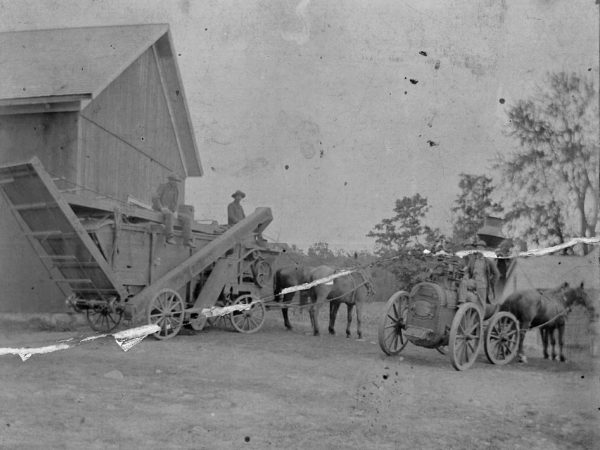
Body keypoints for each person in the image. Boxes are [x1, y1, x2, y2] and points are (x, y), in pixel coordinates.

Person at [152, 174, 195, 248]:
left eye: (177, 181)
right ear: (170, 180)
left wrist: (175, 211)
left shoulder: (176, 190)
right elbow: (155, 198)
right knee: (170, 215)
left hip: (170, 211)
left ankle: (187, 240)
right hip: (160, 210)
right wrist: (161, 208)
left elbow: (174, 203)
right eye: (175, 181)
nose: (176, 183)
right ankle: (169, 237)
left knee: (187, 218)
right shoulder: (163, 186)